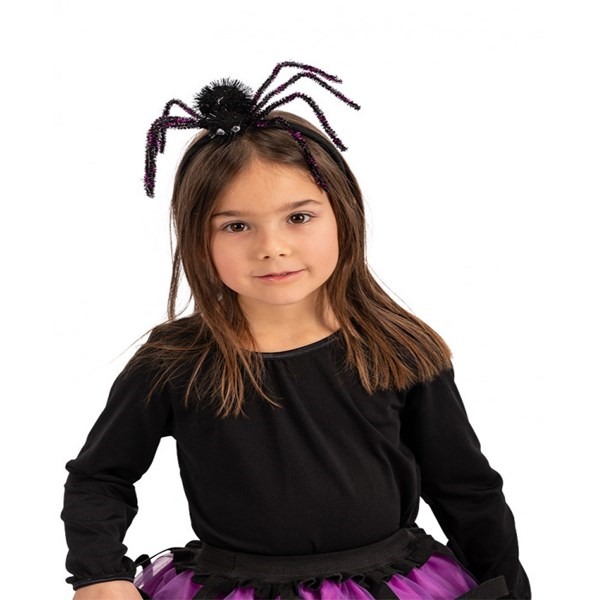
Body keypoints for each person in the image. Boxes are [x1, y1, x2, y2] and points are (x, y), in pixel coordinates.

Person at [62, 62, 531, 599]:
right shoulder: (176, 362)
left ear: (342, 214)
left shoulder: (398, 348)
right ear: (197, 237)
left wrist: (510, 589)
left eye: (299, 217)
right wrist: (100, 574)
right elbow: (101, 477)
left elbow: (465, 489)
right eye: (237, 225)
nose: (272, 247)